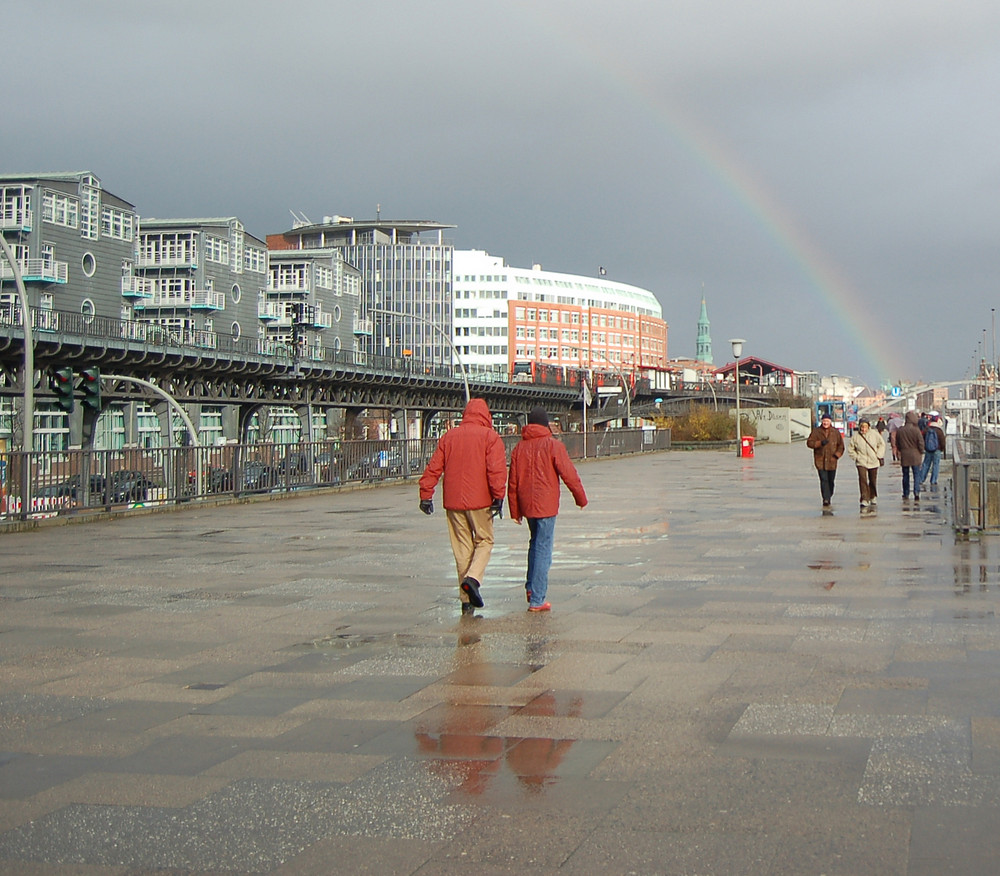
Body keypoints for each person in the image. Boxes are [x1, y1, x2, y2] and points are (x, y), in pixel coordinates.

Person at [419, 398, 507, 615]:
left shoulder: (449, 437)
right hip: (481, 500)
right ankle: (473, 579)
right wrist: (499, 496)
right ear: (487, 415)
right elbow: (496, 470)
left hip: (453, 501)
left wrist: (426, 495)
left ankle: (466, 600)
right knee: (485, 540)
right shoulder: (490, 437)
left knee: (462, 548)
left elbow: (434, 468)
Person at [507, 407, 588, 612]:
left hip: (527, 505)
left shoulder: (519, 448)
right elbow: (569, 474)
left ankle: (530, 587)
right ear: (545, 425)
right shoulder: (554, 446)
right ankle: (537, 598)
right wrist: (580, 498)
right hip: (546, 505)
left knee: (534, 543)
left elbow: (513, 483)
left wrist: (515, 511)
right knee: (543, 548)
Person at [806, 413, 845, 507]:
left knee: (831, 480)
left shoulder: (835, 432)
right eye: (824, 421)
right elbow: (809, 443)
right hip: (820, 461)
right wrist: (819, 443)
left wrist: (837, 455)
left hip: (832, 461)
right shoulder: (816, 432)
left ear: (830, 422)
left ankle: (829, 494)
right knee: (824, 480)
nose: (825, 423)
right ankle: (826, 498)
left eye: (827, 421)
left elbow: (841, 446)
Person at [847, 418, 886, 510]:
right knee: (863, 479)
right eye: (862, 427)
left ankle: (872, 496)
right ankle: (864, 498)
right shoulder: (856, 437)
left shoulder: (875, 435)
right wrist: (856, 457)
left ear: (868, 426)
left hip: (873, 461)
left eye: (865, 427)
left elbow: (881, 444)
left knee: (872, 480)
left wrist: (879, 455)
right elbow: (850, 449)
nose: (863, 429)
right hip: (861, 461)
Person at [895, 410, 925, 501]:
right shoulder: (916, 430)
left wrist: (901, 451)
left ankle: (906, 493)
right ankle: (916, 492)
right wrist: (921, 451)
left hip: (905, 455)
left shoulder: (900, 430)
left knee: (905, 475)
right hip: (915, 455)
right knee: (916, 475)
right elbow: (921, 443)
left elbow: (898, 443)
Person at [920, 416, 946, 488]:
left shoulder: (926, 429)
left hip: (928, 450)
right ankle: (933, 480)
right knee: (936, 465)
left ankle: (921, 479)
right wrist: (942, 449)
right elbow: (942, 441)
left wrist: (925, 447)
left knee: (926, 464)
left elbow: (922, 438)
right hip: (937, 450)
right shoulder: (939, 431)